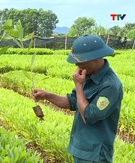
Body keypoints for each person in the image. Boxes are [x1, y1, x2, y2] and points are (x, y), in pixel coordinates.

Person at [32, 34, 123, 163]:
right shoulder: (89, 75)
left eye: (80, 61)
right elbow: (72, 101)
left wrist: (79, 86)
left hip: (95, 155)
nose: (77, 64)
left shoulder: (111, 86)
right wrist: (46, 95)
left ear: (94, 58)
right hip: (81, 149)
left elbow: (89, 116)